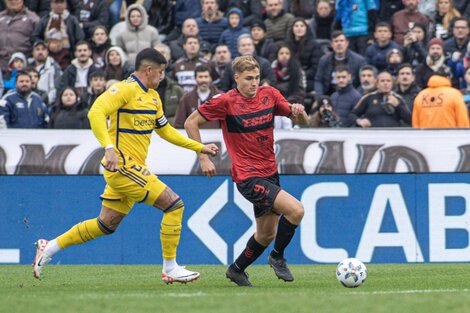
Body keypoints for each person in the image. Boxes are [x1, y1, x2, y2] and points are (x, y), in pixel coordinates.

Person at [32, 48, 219, 283]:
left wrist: (198, 147)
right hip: (122, 166)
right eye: (160, 72)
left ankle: (49, 247)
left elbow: (166, 131)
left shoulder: (153, 97)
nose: (162, 77)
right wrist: (108, 148)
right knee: (174, 205)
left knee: (105, 225)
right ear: (149, 70)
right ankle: (170, 268)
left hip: (133, 168)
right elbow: (96, 112)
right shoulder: (124, 89)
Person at [184, 55, 307, 287]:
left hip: (270, 172)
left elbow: (304, 122)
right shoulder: (225, 101)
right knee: (296, 211)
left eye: (257, 78)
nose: (254, 83)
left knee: (267, 234)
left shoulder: (269, 95)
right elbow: (191, 122)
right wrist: (202, 156)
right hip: (247, 176)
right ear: (236, 78)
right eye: (249, 78)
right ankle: (277, 257)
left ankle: (236, 269)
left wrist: (300, 113)